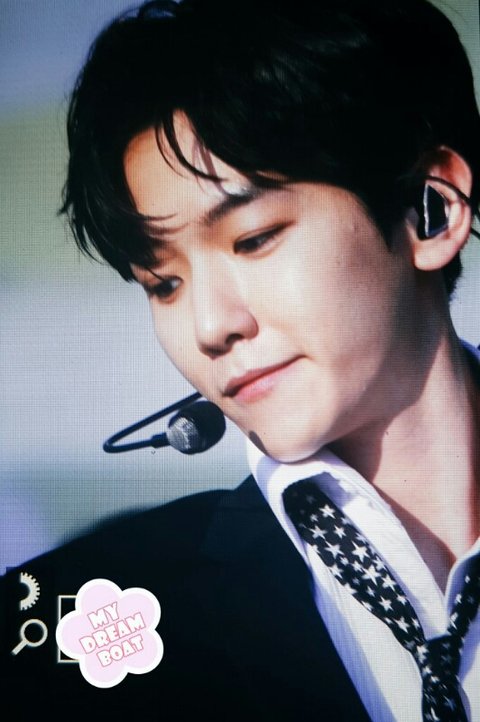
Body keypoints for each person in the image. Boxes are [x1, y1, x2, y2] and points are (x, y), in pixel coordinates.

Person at [2, 0, 480, 720]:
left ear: (429, 207)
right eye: (163, 283)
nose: (209, 326)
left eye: (253, 239)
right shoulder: (65, 624)